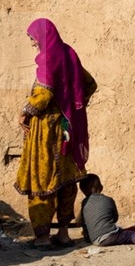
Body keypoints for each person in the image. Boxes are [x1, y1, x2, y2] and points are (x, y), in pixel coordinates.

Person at [15, 18, 97, 249]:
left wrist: (25, 112)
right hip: (67, 130)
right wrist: (73, 106)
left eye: (32, 38)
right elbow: (89, 84)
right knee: (66, 181)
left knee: (42, 178)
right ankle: (63, 233)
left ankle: (42, 237)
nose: (32, 43)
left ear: (42, 36)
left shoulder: (48, 58)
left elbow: (44, 93)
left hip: (47, 131)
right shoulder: (68, 54)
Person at [78, 174, 135, 250]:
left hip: (95, 240)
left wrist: (87, 237)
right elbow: (115, 218)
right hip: (109, 236)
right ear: (101, 187)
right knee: (133, 234)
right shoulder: (108, 200)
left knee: (124, 235)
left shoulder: (84, 203)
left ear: (83, 191)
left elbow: (84, 222)